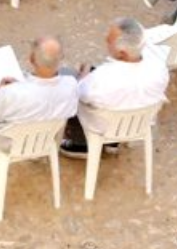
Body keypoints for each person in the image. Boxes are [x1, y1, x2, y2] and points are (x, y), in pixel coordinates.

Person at [62, 18, 170, 155]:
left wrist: (84, 73)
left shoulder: (103, 77)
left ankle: (81, 144)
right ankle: (112, 143)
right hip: (139, 123)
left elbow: (80, 94)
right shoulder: (160, 68)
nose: (106, 39)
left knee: (66, 83)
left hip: (104, 125)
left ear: (122, 53)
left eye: (109, 40)